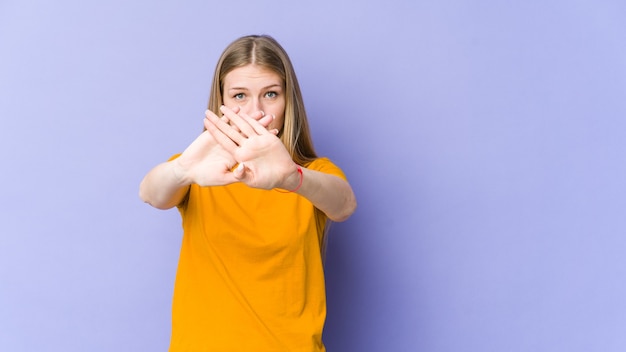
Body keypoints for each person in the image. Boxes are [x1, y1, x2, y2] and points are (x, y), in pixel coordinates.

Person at [139, 34, 357, 351]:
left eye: (270, 94)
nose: (255, 110)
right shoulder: (198, 170)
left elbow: (345, 204)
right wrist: (183, 170)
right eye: (240, 96)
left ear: (288, 101)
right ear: (221, 101)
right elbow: (151, 192)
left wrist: (291, 178)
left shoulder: (312, 173)